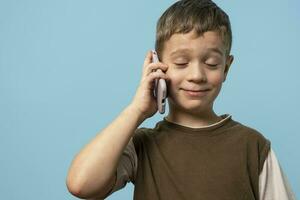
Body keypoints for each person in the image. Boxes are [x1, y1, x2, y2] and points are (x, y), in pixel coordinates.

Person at [66, 0, 296, 199]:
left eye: (211, 64)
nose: (196, 75)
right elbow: (81, 185)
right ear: (158, 66)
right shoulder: (141, 145)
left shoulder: (253, 146)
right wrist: (136, 110)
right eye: (181, 63)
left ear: (226, 67)